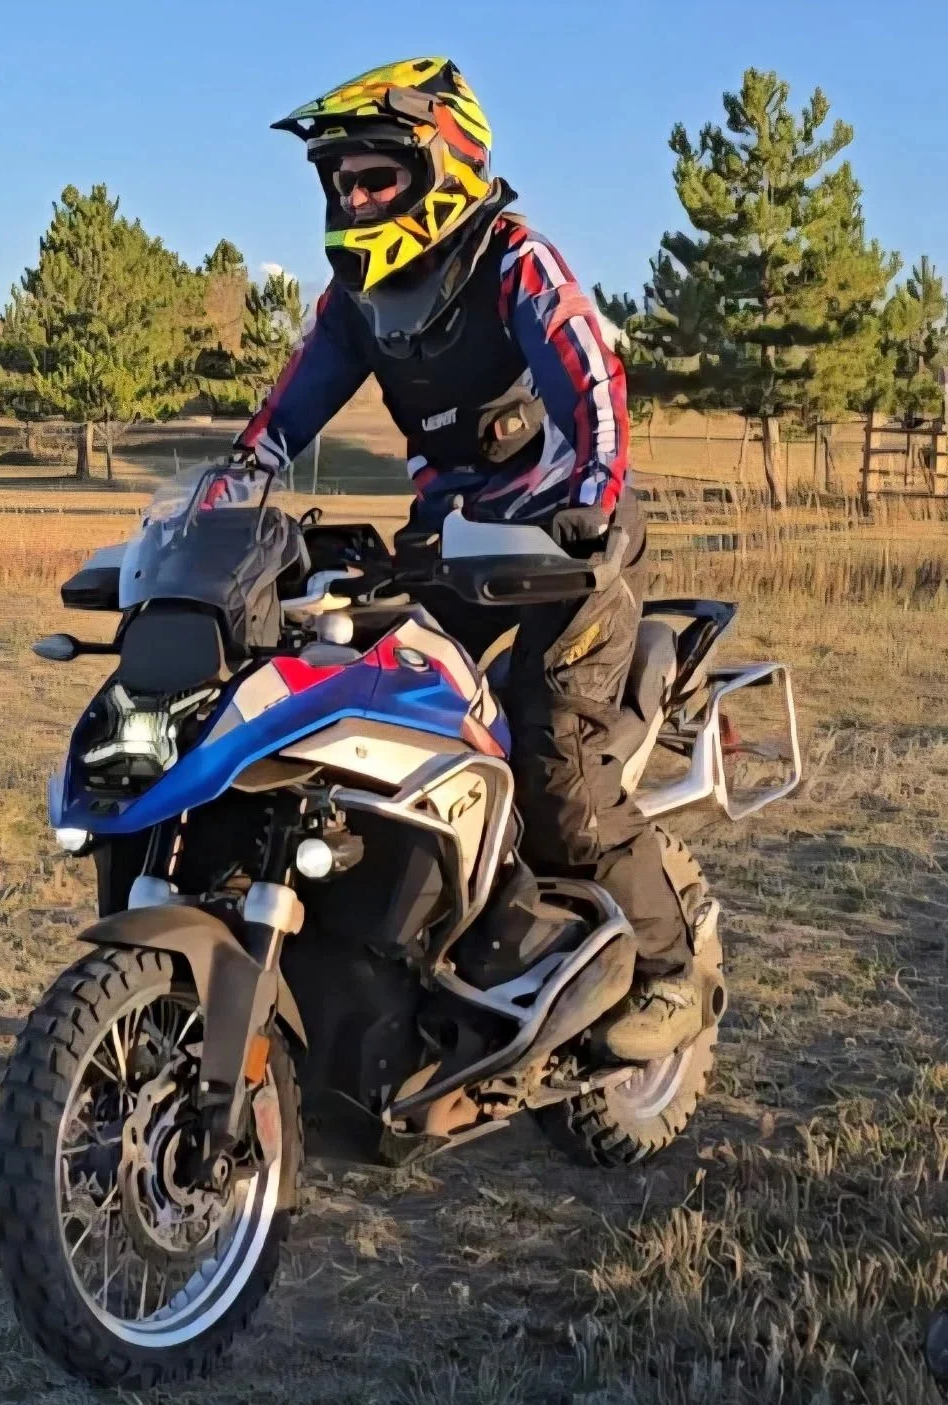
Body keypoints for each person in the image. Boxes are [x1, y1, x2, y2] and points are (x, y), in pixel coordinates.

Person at [236, 57, 697, 1061]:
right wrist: (235, 481)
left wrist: (594, 498)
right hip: (450, 550)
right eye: (341, 182)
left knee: (558, 778)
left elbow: (591, 379)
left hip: (563, 556)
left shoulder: (512, 260)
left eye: (376, 179)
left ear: (442, 161)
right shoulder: (357, 298)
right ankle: (471, 941)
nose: (354, 200)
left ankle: (671, 974)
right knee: (387, 740)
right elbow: (290, 408)